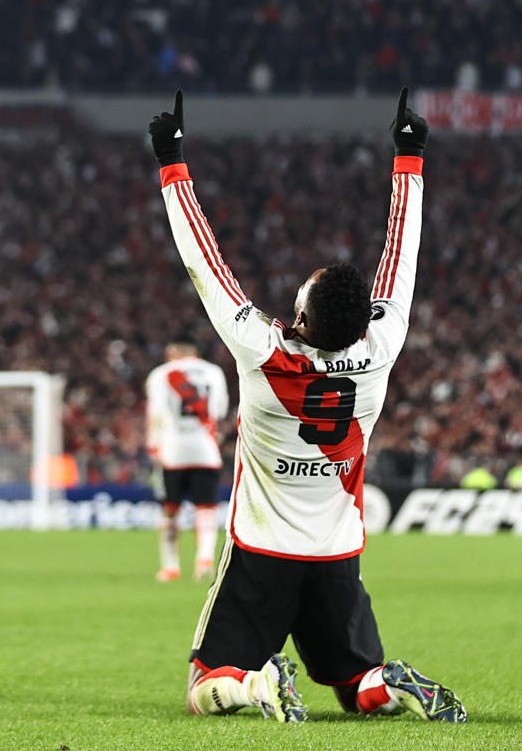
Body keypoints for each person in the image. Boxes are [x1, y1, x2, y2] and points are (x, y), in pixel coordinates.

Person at [150, 88, 465, 724]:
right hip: (337, 554)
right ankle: (387, 684)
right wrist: (410, 158)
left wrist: (171, 164)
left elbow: (204, 262)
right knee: (356, 686)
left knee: (205, 684)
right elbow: (400, 256)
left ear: (299, 314)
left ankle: (255, 687)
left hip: (263, 551)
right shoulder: (382, 342)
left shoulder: (262, 351)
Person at [145, 338, 231, 583]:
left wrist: (153, 448)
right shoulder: (214, 372)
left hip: (172, 450)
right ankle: (204, 560)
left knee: (170, 510)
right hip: (206, 449)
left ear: (172, 351)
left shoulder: (162, 374)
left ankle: (170, 567)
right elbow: (220, 410)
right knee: (206, 509)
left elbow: (157, 415)